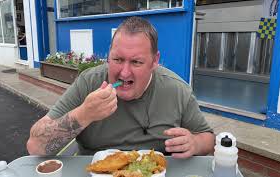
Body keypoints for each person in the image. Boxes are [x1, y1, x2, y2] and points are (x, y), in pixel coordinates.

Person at [27, 16, 215, 158]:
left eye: (136, 62)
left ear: (154, 61)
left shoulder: (177, 90)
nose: (124, 73)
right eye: (117, 59)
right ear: (108, 55)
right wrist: (84, 114)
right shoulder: (88, 82)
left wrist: (195, 143)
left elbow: (208, 139)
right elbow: (35, 147)